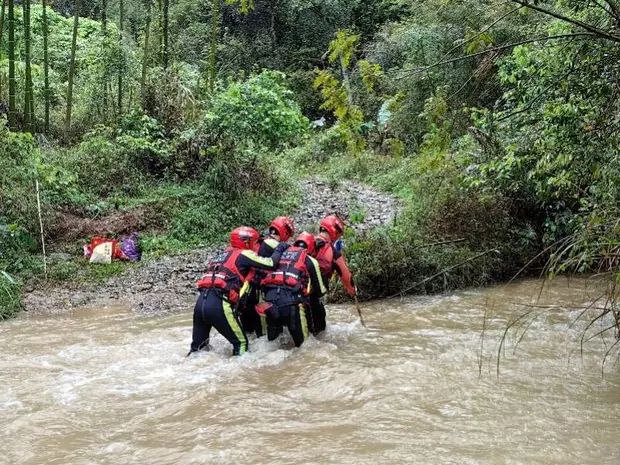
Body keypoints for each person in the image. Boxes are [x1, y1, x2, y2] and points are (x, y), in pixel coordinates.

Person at [188, 226, 289, 356]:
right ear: (246, 242)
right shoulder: (244, 253)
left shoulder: (222, 255)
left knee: (198, 349)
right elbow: (270, 263)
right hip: (219, 304)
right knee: (241, 343)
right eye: (253, 241)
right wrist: (280, 248)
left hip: (200, 303)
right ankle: (240, 374)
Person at [258, 232, 326, 347]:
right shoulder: (310, 260)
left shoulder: (278, 254)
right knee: (304, 348)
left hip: (270, 302)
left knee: (272, 347)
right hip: (292, 304)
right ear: (311, 247)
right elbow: (320, 291)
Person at [238, 216, 295, 337]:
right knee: (262, 336)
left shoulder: (258, 242)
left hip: (244, 292)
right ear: (285, 232)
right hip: (257, 293)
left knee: (248, 333)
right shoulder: (273, 244)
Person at [310, 214, 356, 335]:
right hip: (314, 298)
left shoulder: (305, 242)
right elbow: (346, 276)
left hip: (293, 294)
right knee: (319, 334)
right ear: (334, 232)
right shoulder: (332, 252)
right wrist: (352, 291)